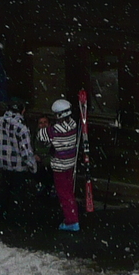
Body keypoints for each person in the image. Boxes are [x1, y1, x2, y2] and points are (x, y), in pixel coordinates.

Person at [0, 97, 37, 224]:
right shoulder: (22, 128)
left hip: (4, 165)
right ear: (22, 110)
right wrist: (33, 167)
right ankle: (14, 221)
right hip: (19, 168)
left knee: (3, 192)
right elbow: (26, 152)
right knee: (17, 194)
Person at [39, 97, 81, 231]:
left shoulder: (54, 130)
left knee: (64, 194)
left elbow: (41, 136)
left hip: (59, 167)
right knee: (69, 191)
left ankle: (71, 221)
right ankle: (72, 216)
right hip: (71, 164)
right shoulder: (74, 125)